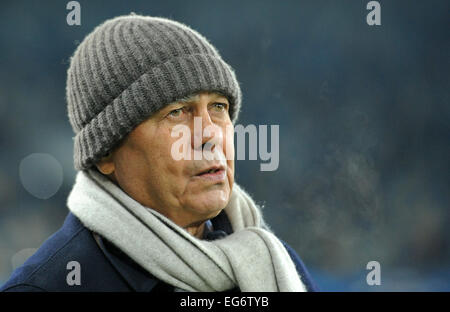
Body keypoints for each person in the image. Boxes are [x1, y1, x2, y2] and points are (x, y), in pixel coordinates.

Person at [0, 14, 317, 292]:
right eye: (177, 112)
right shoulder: (50, 285)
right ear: (105, 153)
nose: (211, 135)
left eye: (219, 107)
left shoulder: (277, 265)